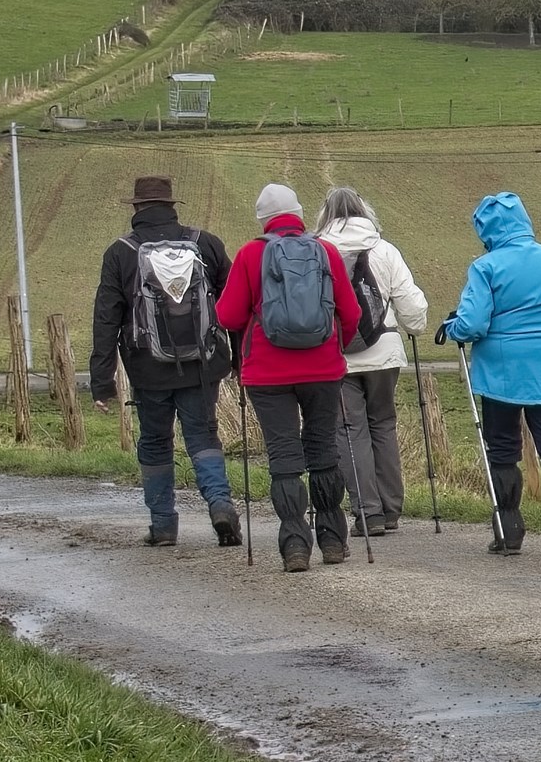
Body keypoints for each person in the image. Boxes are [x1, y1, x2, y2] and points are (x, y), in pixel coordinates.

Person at [208, 181, 365, 571]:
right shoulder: (325, 251)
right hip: (323, 369)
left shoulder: (250, 254)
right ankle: (332, 539)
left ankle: (295, 543)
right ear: (297, 214)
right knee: (323, 449)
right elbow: (351, 312)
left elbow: (226, 316)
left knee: (283, 455)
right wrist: (333, 346)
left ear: (263, 220)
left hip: (267, 373)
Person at [85, 172, 242, 549]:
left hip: (148, 368)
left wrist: (102, 381)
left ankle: (163, 525)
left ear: (137, 208)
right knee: (203, 436)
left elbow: (106, 318)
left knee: (155, 442)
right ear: (172, 207)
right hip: (202, 367)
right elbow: (237, 302)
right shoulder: (204, 243)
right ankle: (220, 505)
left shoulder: (120, 252)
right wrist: (238, 357)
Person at [441, 189, 541, 559]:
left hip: (502, 371)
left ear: (487, 231)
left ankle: (509, 529)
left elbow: (474, 322)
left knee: (503, 449)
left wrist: (453, 328)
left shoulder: (486, 267)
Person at [315, 184, 432, 536]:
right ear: (365, 211)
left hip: (337, 357)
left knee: (351, 431)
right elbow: (412, 308)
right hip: (384, 352)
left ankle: (368, 512)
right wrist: (415, 326)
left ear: (326, 215)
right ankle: (392, 507)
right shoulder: (384, 249)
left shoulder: (318, 251)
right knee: (383, 424)